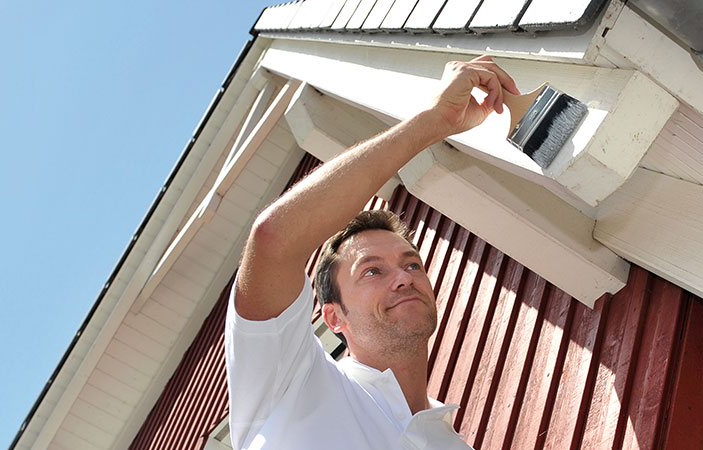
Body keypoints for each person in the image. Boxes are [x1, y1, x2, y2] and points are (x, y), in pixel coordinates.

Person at [223, 55, 521, 449]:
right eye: (371, 271)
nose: (405, 277)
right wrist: (434, 121)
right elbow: (273, 239)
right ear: (333, 317)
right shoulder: (293, 384)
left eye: (411, 264)